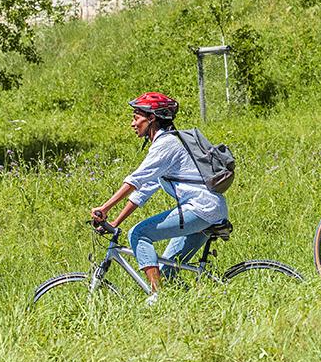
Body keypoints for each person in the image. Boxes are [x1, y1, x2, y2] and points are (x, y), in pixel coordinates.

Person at [90, 92, 226, 301]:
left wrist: (105, 208)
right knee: (168, 273)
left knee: (138, 234)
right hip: (208, 209)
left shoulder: (166, 144)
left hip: (200, 208)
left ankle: (156, 298)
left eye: (136, 117)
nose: (132, 123)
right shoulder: (169, 144)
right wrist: (115, 222)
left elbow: (136, 179)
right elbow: (144, 189)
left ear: (151, 118)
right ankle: (194, 306)